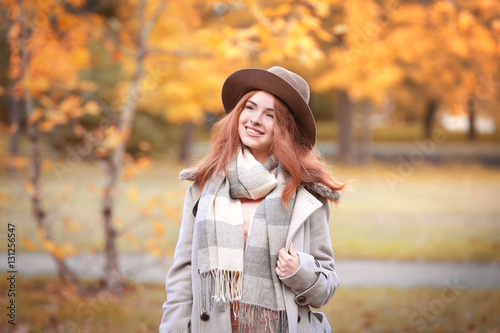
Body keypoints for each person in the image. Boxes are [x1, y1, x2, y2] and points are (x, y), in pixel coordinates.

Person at [159, 66, 345, 333]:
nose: (255, 119)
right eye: (250, 107)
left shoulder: (306, 193)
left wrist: (300, 270)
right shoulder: (204, 186)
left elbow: (326, 286)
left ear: (286, 129)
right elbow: (183, 272)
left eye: (270, 115)